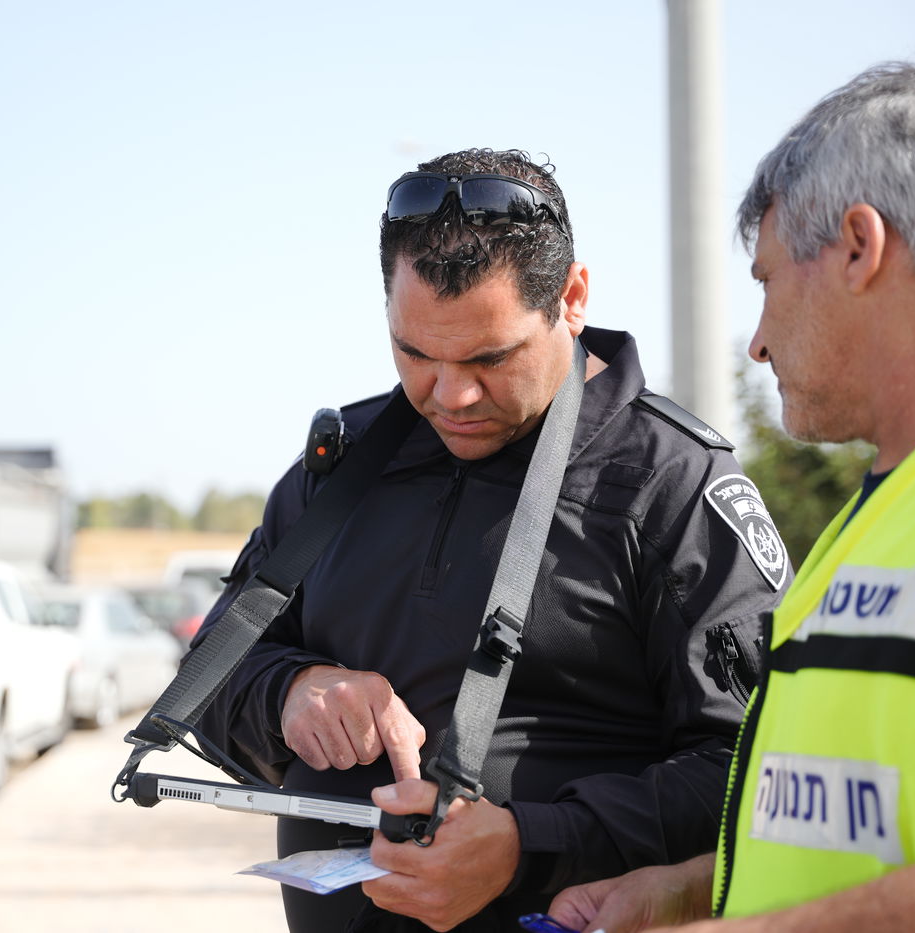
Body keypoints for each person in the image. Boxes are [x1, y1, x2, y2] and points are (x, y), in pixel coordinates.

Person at [190, 148, 786, 932]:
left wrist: (529, 844)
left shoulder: (673, 485)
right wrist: (290, 691)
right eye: (415, 354)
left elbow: (756, 774)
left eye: (488, 357)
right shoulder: (341, 464)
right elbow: (207, 674)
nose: (451, 394)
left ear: (571, 297)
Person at [546, 57, 915, 933]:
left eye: (767, 281)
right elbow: (842, 833)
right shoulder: (900, 496)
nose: (759, 343)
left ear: (858, 246)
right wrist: (689, 888)